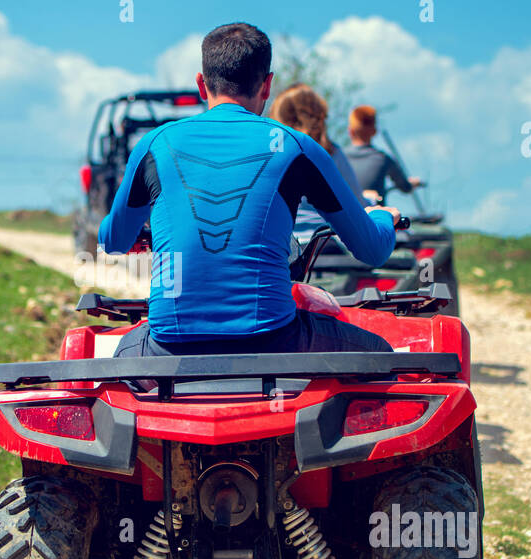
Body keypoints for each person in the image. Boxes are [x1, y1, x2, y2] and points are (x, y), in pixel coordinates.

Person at [100, 22, 401, 357]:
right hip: (273, 340)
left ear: (201, 83)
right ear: (267, 84)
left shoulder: (154, 145)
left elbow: (113, 242)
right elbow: (372, 250)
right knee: (381, 353)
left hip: (168, 347)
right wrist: (383, 218)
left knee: (118, 356)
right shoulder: (296, 146)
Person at [269, 83, 366, 214]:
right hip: (322, 232)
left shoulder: (268, 154)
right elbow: (357, 203)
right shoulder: (331, 153)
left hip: (280, 231)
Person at [343, 105, 422, 205]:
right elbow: (405, 187)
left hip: (345, 216)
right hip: (373, 216)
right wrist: (412, 184)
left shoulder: (338, 158)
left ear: (350, 131)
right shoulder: (383, 159)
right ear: (374, 131)